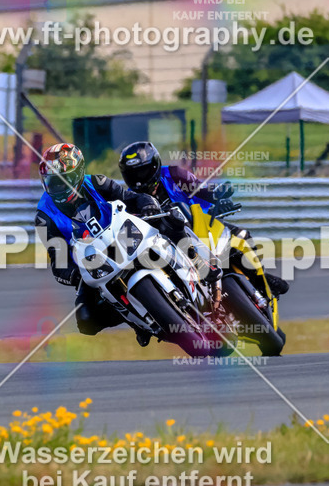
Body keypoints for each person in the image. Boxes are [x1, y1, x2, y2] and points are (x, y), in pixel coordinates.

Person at [33, 142, 215, 346]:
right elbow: (57, 260)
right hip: (94, 261)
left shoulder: (96, 183)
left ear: (76, 175)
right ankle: (139, 321)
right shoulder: (44, 216)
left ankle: (201, 263)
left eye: (61, 182)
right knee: (85, 320)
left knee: (169, 219)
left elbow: (131, 198)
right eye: (51, 183)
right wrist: (75, 275)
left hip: (123, 233)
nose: (56, 188)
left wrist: (147, 205)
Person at [116, 141, 289, 297]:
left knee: (241, 235)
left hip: (200, 227)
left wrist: (218, 197)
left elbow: (201, 189)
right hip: (170, 250)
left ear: (154, 166)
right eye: (134, 175)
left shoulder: (173, 174)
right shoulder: (129, 199)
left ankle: (263, 280)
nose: (140, 179)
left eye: (144, 171)